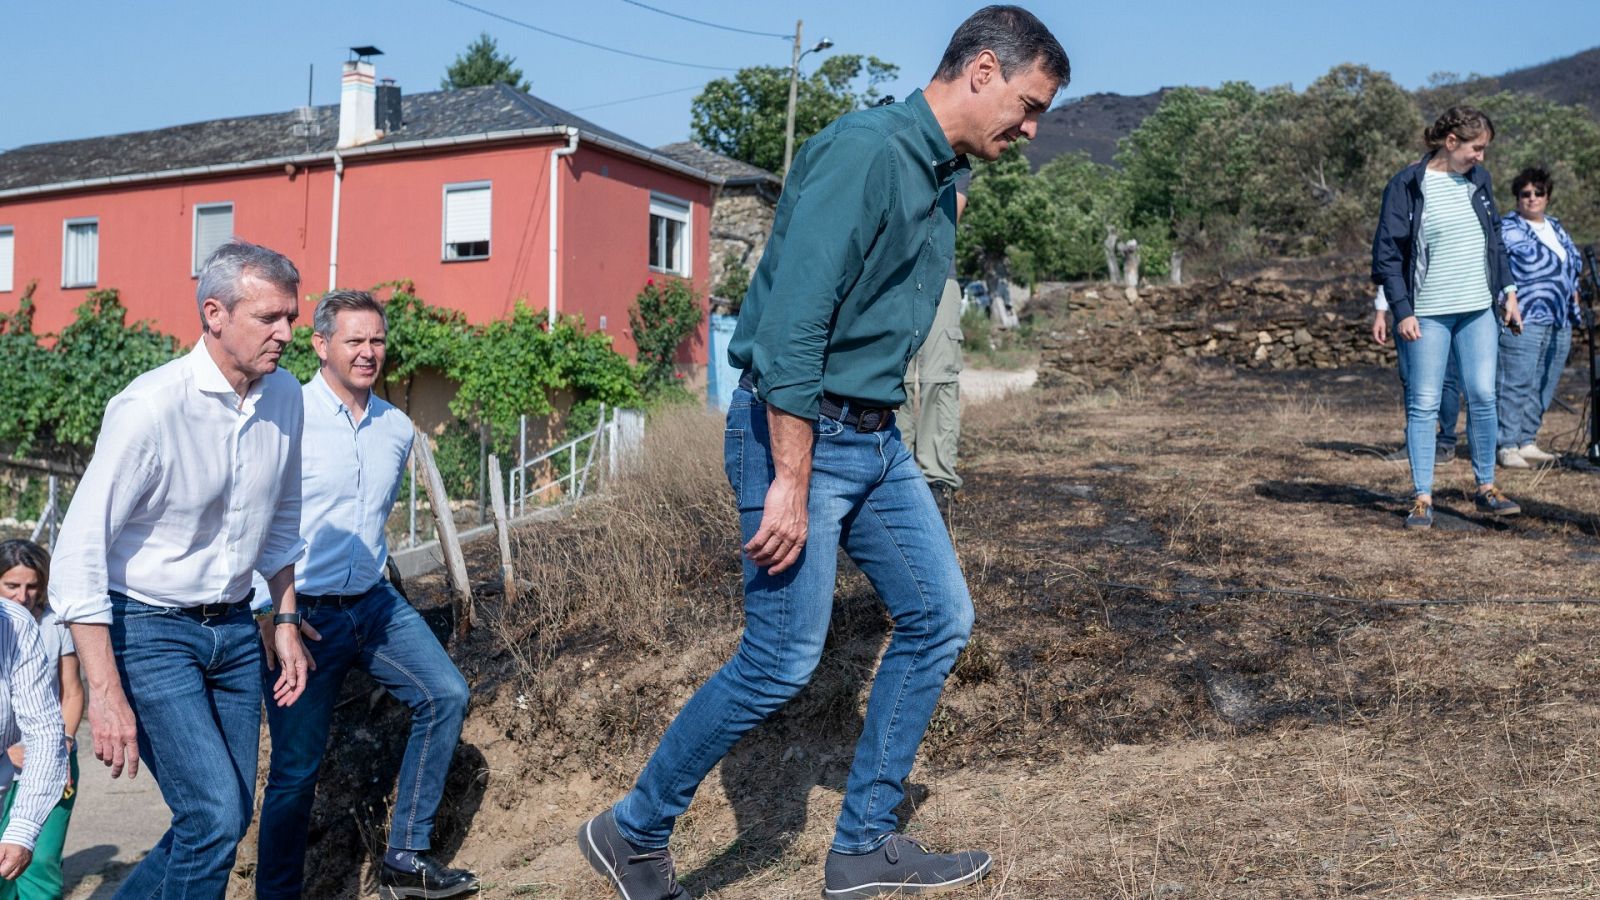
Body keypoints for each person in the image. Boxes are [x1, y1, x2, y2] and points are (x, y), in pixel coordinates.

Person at [576, 7, 1070, 899]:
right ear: (984, 69)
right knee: (780, 659)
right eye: (1029, 106)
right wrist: (789, 483)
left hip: (875, 441)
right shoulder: (868, 153)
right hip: (798, 435)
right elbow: (794, 332)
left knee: (939, 618)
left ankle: (863, 845)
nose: (1030, 130)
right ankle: (632, 829)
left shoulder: (935, 173)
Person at [49, 239, 313, 899]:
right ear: (215, 314)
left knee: (222, 818)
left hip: (231, 630)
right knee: (214, 816)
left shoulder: (285, 399)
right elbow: (78, 553)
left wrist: (283, 617)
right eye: (270, 318)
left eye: (291, 317)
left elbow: (281, 522)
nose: (287, 333)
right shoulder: (150, 408)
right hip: (150, 630)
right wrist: (105, 694)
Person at [254, 290, 475, 900]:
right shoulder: (284, 413)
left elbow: (370, 524)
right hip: (302, 612)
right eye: (354, 340)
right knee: (296, 772)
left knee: (446, 693)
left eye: (376, 340)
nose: (368, 352)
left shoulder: (397, 428)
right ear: (321, 345)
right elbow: (255, 520)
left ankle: (405, 856)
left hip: (374, 605)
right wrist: (275, 616)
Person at [1372, 106, 1522, 530]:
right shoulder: (1406, 184)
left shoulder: (1480, 181)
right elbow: (1387, 253)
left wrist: (1508, 292)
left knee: (1482, 395)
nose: (1482, 157)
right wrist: (1401, 310)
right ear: (1450, 142)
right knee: (1424, 403)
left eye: (1485, 149)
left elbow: (1494, 242)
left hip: (1478, 309)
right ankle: (1422, 497)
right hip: (1428, 314)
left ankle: (1486, 488)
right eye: (1477, 148)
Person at [0, 540, 80, 900]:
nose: (23, 595)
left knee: (40, 858)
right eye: (12, 585)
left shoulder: (53, 624)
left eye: (31, 586)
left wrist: (60, 749)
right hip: (9, 756)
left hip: (48, 751)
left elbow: (71, 690)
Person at [1496, 167, 1584, 469]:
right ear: (1517, 197)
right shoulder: (1507, 228)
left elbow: (1572, 265)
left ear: (1547, 196)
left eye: (1538, 193)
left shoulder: (1556, 227)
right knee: (1516, 380)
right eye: (1525, 194)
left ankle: (1527, 439)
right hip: (1524, 315)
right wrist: (1507, 302)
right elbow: (1496, 269)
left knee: (1545, 380)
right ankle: (1506, 444)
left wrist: (1574, 295)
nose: (1532, 199)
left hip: (1560, 316)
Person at [901, 175, 971, 514]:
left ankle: (936, 479)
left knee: (938, 381)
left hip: (939, 277)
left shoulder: (954, 157)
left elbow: (949, 215)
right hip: (889, 280)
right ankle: (892, 472)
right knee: (889, 377)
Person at [1372, 287, 1465, 464]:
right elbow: (1390, 270)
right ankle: (1414, 444)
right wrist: (1380, 313)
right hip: (1407, 310)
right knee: (1409, 378)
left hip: (1444, 308)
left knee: (1446, 377)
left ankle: (1445, 443)